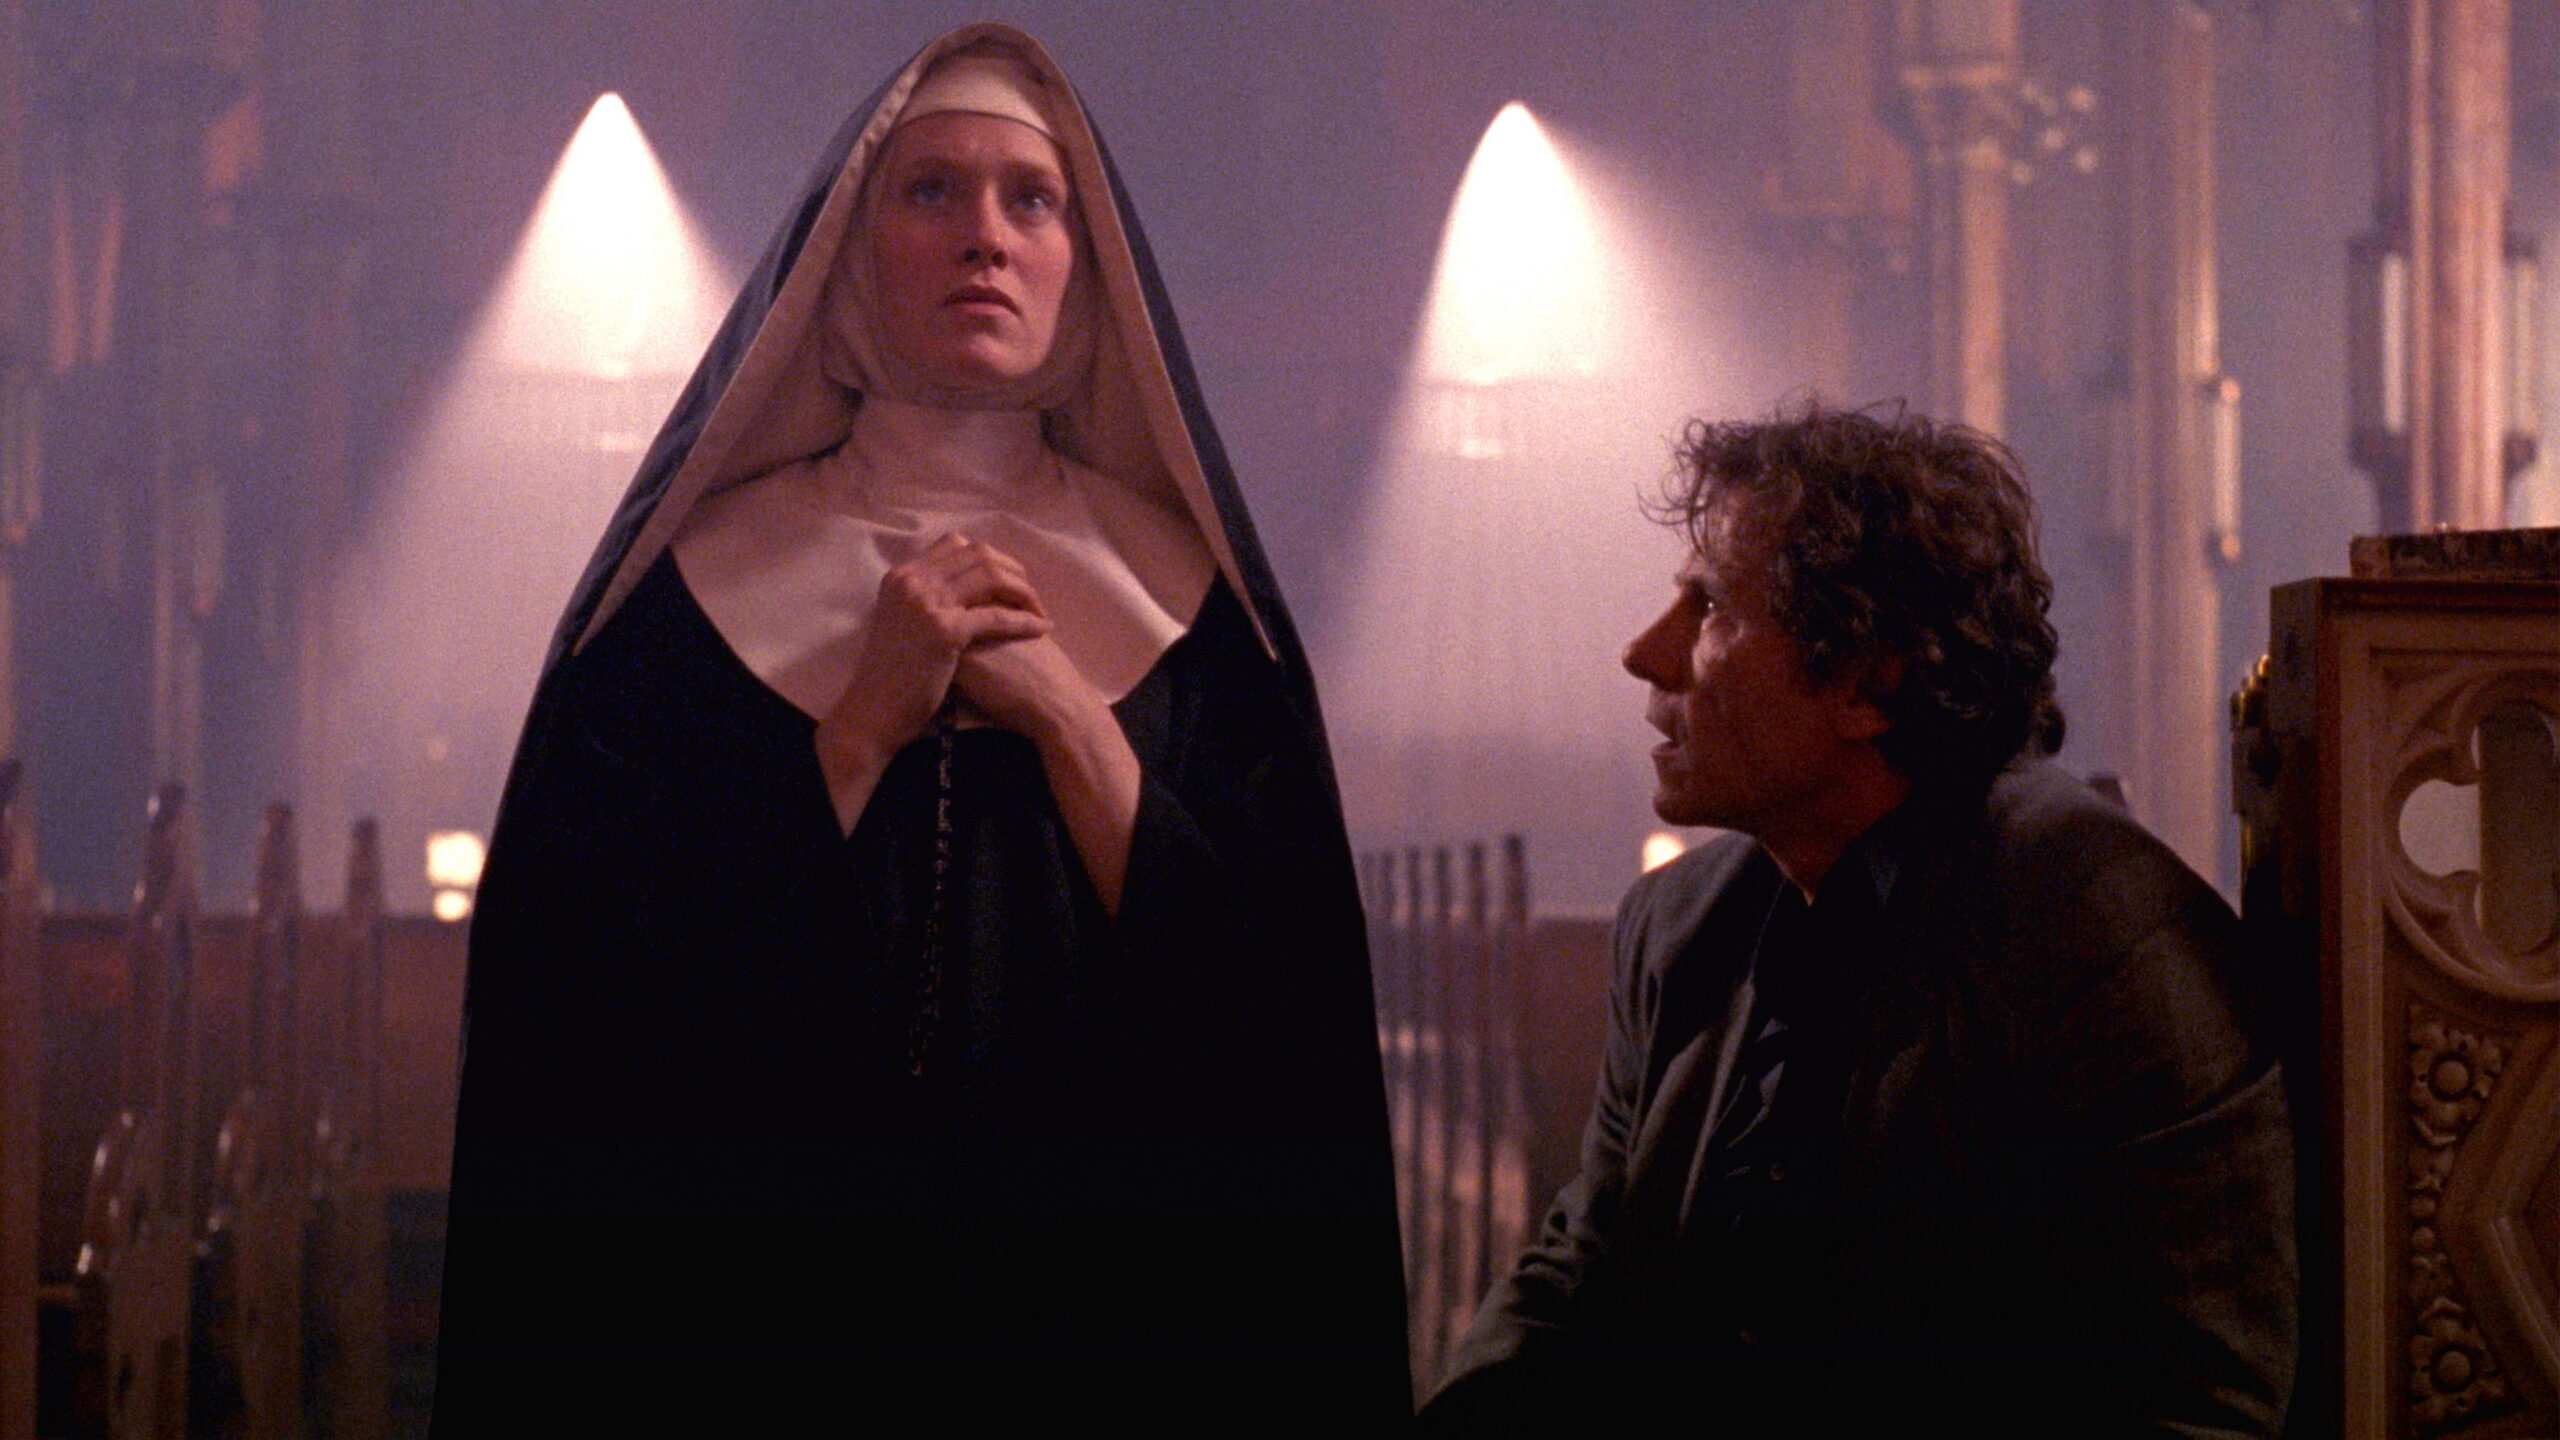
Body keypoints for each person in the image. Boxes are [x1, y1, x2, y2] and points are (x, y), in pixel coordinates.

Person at [430, 25, 1406, 1426]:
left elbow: (1275, 1033)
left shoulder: (1195, 614)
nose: (984, 238)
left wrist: (1075, 726)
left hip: (1114, 1331)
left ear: (1086, 263)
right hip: (765, 1331)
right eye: (931, 190)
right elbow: (592, 1026)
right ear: (846, 246)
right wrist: (858, 729)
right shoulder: (681, 605)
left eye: (1033, 200)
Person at [1420, 403, 2296, 1435]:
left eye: (1709, 607)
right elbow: (1583, 1278)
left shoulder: (2113, 943)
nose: (1646, 654)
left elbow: (2197, 1404)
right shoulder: (1678, 925)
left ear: (1868, 679)